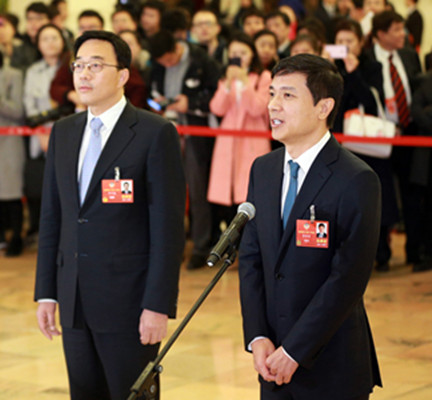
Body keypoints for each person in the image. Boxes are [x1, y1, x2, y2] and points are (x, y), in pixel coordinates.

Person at [34, 30, 186, 400]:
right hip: (74, 299)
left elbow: (167, 229)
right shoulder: (64, 132)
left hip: (129, 304)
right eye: (79, 66)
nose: (84, 74)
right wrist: (47, 292)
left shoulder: (154, 133)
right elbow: (52, 217)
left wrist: (158, 305)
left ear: (122, 76)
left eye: (96, 66)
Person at [239, 54, 382, 400]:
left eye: (288, 95)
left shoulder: (356, 179)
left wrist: (295, 351)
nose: (273, 105)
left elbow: (348, 279)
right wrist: (258, 336)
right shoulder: (263, 169)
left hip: (331, 367)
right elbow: (251, 258)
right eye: (272, 93)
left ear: (323, 107)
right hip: (272, 364)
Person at [148, 29, 221, 270]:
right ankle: (171, 246)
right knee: (166, 192)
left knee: (197, 190)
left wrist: (190, 103)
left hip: (195, 133)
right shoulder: (157, 66)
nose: (167, 64)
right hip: (166, 132)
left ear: (177, 47)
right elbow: (150, 92)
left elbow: (217, 94)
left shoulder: (201, 60)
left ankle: (201, 246)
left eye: (170, 59)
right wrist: (157, 102)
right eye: (163, 62)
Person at [367, 10, 425, 271]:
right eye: (397, 30)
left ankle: (415, 251)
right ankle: (381, 254)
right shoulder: (368, 59)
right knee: (379, 193)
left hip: (409, 133)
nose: (403, 34)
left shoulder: (409, 55)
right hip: (378, 134)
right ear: (381, 34)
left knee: (412, 193)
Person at [208, 32, 271, 217]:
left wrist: (244, 82)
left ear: (252, 54)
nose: (238, 57)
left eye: (243, 53)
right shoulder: (225, 78)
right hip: (228, 139)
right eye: (234, 53)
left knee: (250, 189)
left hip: (253, 137)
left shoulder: (263, 77)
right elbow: (217, 108)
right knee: (227, 190)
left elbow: (257, 108)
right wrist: (228, 83)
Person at [23, 23, 70, 245]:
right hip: (41, 137)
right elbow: (29, 106)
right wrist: (42, 132)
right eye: (45, 39)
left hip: (67, 134)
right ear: (38, 44)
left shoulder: (71, 66)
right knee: (42, 188)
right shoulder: (33, 71)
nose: (50, 43)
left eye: (54, 38)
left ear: (62, 41)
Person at [0, 52, 25, 256]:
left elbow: (18, 111)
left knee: (12, 190)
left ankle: (16, 237)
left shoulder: (13, 75)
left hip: (9, 139)